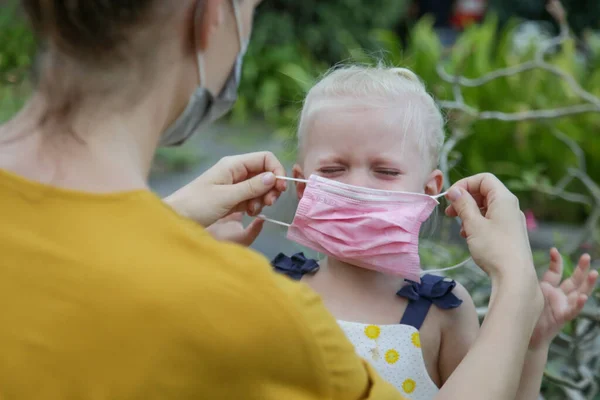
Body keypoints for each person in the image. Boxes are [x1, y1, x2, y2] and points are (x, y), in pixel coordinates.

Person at [0, 0, 556, 399]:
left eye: (385, 170)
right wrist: (516, 284)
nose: (357, 185)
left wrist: (168, 224)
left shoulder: (222, 291)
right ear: (210, 15)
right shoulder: (265, 313)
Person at [262, 65, 597, 398]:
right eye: (333, 169)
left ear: (428, 192)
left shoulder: (443, 311)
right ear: (303, 186)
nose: (358, 186)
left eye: (386, 171)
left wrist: (529, 344)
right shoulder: (271, 289)